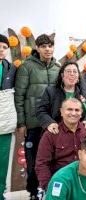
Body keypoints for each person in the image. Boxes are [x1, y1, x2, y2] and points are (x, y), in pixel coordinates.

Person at [14, 34, 60, 199]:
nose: (47, 49)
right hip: (33, 123)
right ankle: (33, 192)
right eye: (43, 46)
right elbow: (19, 96)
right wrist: (21, 122)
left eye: (50, 46)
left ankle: (50, 191)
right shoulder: (26, 67)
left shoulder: (58, 67)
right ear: (38, 48)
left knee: (53, 158)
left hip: (53, 123)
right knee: (33, 160)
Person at [35, 98, 86, 191]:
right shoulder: (51, 134)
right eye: (69, 109)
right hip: (60, 183)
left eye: (77, 110)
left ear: (81, 113)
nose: (74, 113)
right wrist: (49, 187)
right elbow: (42, 164)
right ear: (61, 112)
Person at [37, 61, 86, 134]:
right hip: (56, 132)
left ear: (78, 76)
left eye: (75, 71)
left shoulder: (84, 93)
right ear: (62, 75)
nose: (72, 74)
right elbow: (41, 111)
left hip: (78, 133)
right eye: (68, 71)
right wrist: (50, 123)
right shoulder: (51, 91)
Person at [0, 34, 16, 200]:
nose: (1, 50)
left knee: (2, 160)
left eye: (5, 47)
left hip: (3, 121)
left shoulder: (11, 68)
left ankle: (0, 193)